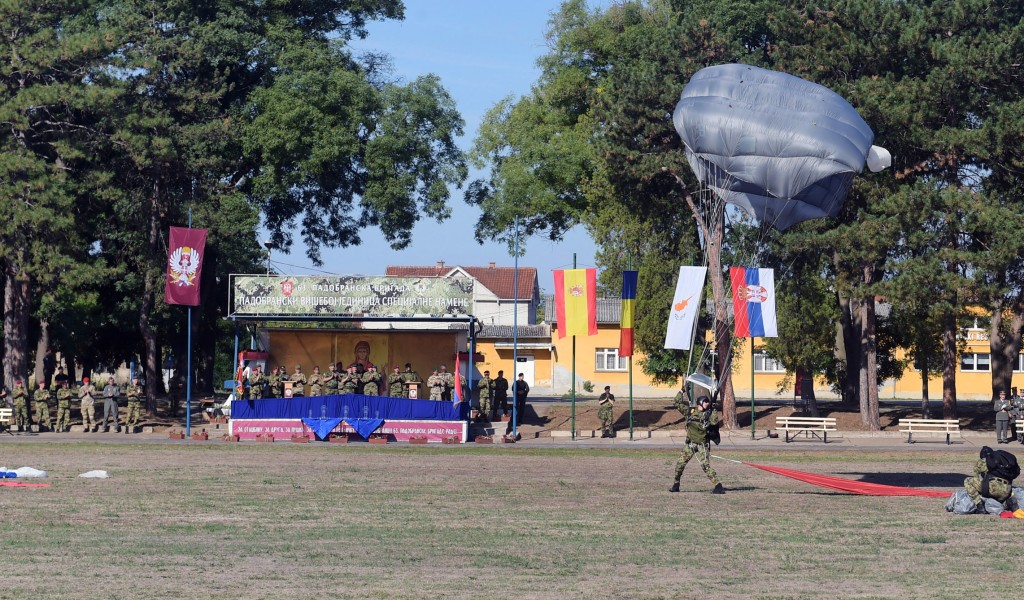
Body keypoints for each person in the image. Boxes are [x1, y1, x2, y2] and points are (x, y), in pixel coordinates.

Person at [669, 395, 724, 494]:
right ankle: (676, 485)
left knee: (705, 466)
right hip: (690, 445)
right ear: (701, 402)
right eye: (706, 402)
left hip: (702, 445)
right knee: (679, 465)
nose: (708, 404)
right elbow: (676, 402)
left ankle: (718, 486)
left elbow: (715, 422)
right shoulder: (691, 411)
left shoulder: (709, 414)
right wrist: (682, 391)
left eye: (708, 402)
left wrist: (714, 410)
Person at [505, 373, 529, 438]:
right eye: (521, 376)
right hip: (517, 398)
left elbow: (527, 389)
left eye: (523, 376)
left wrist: (523, 392)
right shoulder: (516, 382)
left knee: (522, 409)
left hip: (522, 398)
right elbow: (513, 388)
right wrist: (518, 392)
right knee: (515, 409)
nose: (522, 377)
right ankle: (512, 421)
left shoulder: (525, 383)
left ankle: (520, 420)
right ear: (519, 377)